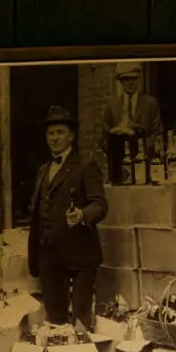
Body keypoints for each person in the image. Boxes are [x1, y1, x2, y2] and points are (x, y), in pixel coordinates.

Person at [25, 103, 105, 332]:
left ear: (71, 135)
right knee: (55, 321)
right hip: (48, 255)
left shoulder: (85, 165)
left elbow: (100, 205)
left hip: (79, 253)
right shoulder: (43, 169)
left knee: (80, 323)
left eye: (60, 132)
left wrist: (82, 214)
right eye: (50, 133)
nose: (54, 138)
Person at [101, 59, 162, 166]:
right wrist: (116, 152)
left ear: (138, 79)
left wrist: (141, 150)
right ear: (120, 81)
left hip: (145, 161)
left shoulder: (150, 103)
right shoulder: (111, 106)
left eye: (133, 78)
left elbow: (157, 134)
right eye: (125, 79)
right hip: (120, 164)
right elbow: (104, 138)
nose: (130, 82)